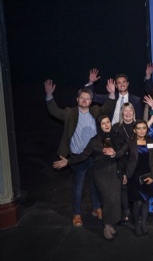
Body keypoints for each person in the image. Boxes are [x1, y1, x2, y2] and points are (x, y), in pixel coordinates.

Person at [45, 79, 116, 227]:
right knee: (78, 187)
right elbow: (54, 111)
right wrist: (49, 95)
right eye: (82, 98)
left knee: (95, 184)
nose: (85, 100)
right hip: (78, 157)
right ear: (77, 99)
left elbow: (108, 106)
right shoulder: (70, 113)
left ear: (91, 101)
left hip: (94, 156)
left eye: (88, 98)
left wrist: (111, 93)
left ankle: (97, 208)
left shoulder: (95, 110)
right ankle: (77, 214)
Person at [53, 115, 127, 240]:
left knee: (115, 200)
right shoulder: (95, 140)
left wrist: (117, 157)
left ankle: (111, 224)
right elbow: (83, 156)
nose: (106, 125)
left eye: (108, 122)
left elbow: (124, 151)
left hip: (115, 172)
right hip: (101, 173)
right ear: (99, 126)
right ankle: (106, 226)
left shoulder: (117, 136)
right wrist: (68, 162)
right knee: (108, 199)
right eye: (103, 123)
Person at [125, 120, 153, 238]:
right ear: (134, 130)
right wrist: (113, 153)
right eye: (139, 128)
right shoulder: (130, 141)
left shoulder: (150, 140)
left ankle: (143, 224)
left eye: (144, 128)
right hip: (134, 175)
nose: (142, 130)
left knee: (146, 200)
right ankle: (137, 225)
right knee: (137, 202)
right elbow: (122, 154)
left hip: (147, 174)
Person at [111, 102, 136, 225]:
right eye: (125, 111)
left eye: (130, 110)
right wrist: (124, 171)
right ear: (121, 113)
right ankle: (126, 211)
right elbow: (116, 150)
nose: (128, 113)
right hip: (122, 161)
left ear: (133, 112)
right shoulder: (116, 128)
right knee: (124, 187)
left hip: (136, 162)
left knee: (136, 187)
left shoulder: (139, 126)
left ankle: (136, 212)